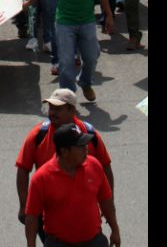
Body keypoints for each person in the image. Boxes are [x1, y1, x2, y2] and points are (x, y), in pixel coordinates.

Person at [23, 0, 114, 101]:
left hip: (87, 21)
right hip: (65, 22)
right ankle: (67, 98)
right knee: (66, 63)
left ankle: (85, 82)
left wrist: (108, 15)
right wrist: (30, 2)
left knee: (91, 57)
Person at [16, 89, 114, 243]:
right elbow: (23, 169)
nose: (52, 113)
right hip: (50, 216)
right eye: (51, 108)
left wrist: (108, 205)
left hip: (86, 218)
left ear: (72, 110)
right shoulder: (37, 135)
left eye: (58, 109)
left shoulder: (89, 134)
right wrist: (23, 205)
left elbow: (105, 167)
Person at [24, 123, 121, 247]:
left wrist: (115, 229)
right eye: (80, 146)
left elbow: (106, 200)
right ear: (64, 151)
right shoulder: (41, 178)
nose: (86, 148)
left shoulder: (94, 165)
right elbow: (32, 217)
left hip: (94, 241)